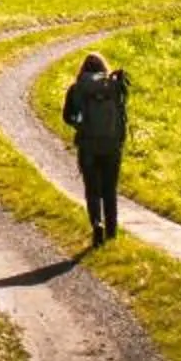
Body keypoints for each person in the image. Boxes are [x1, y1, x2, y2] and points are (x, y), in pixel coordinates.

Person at [61, 52, 131, 246]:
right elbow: (122, 115)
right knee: (110, 190)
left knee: (92, 190)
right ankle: (112, 232)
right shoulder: (114, 86)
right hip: (112, 146)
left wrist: (80, 124)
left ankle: (96, 224)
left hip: (88, 146)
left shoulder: (77, 89)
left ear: (83, 70)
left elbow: (67, 117)